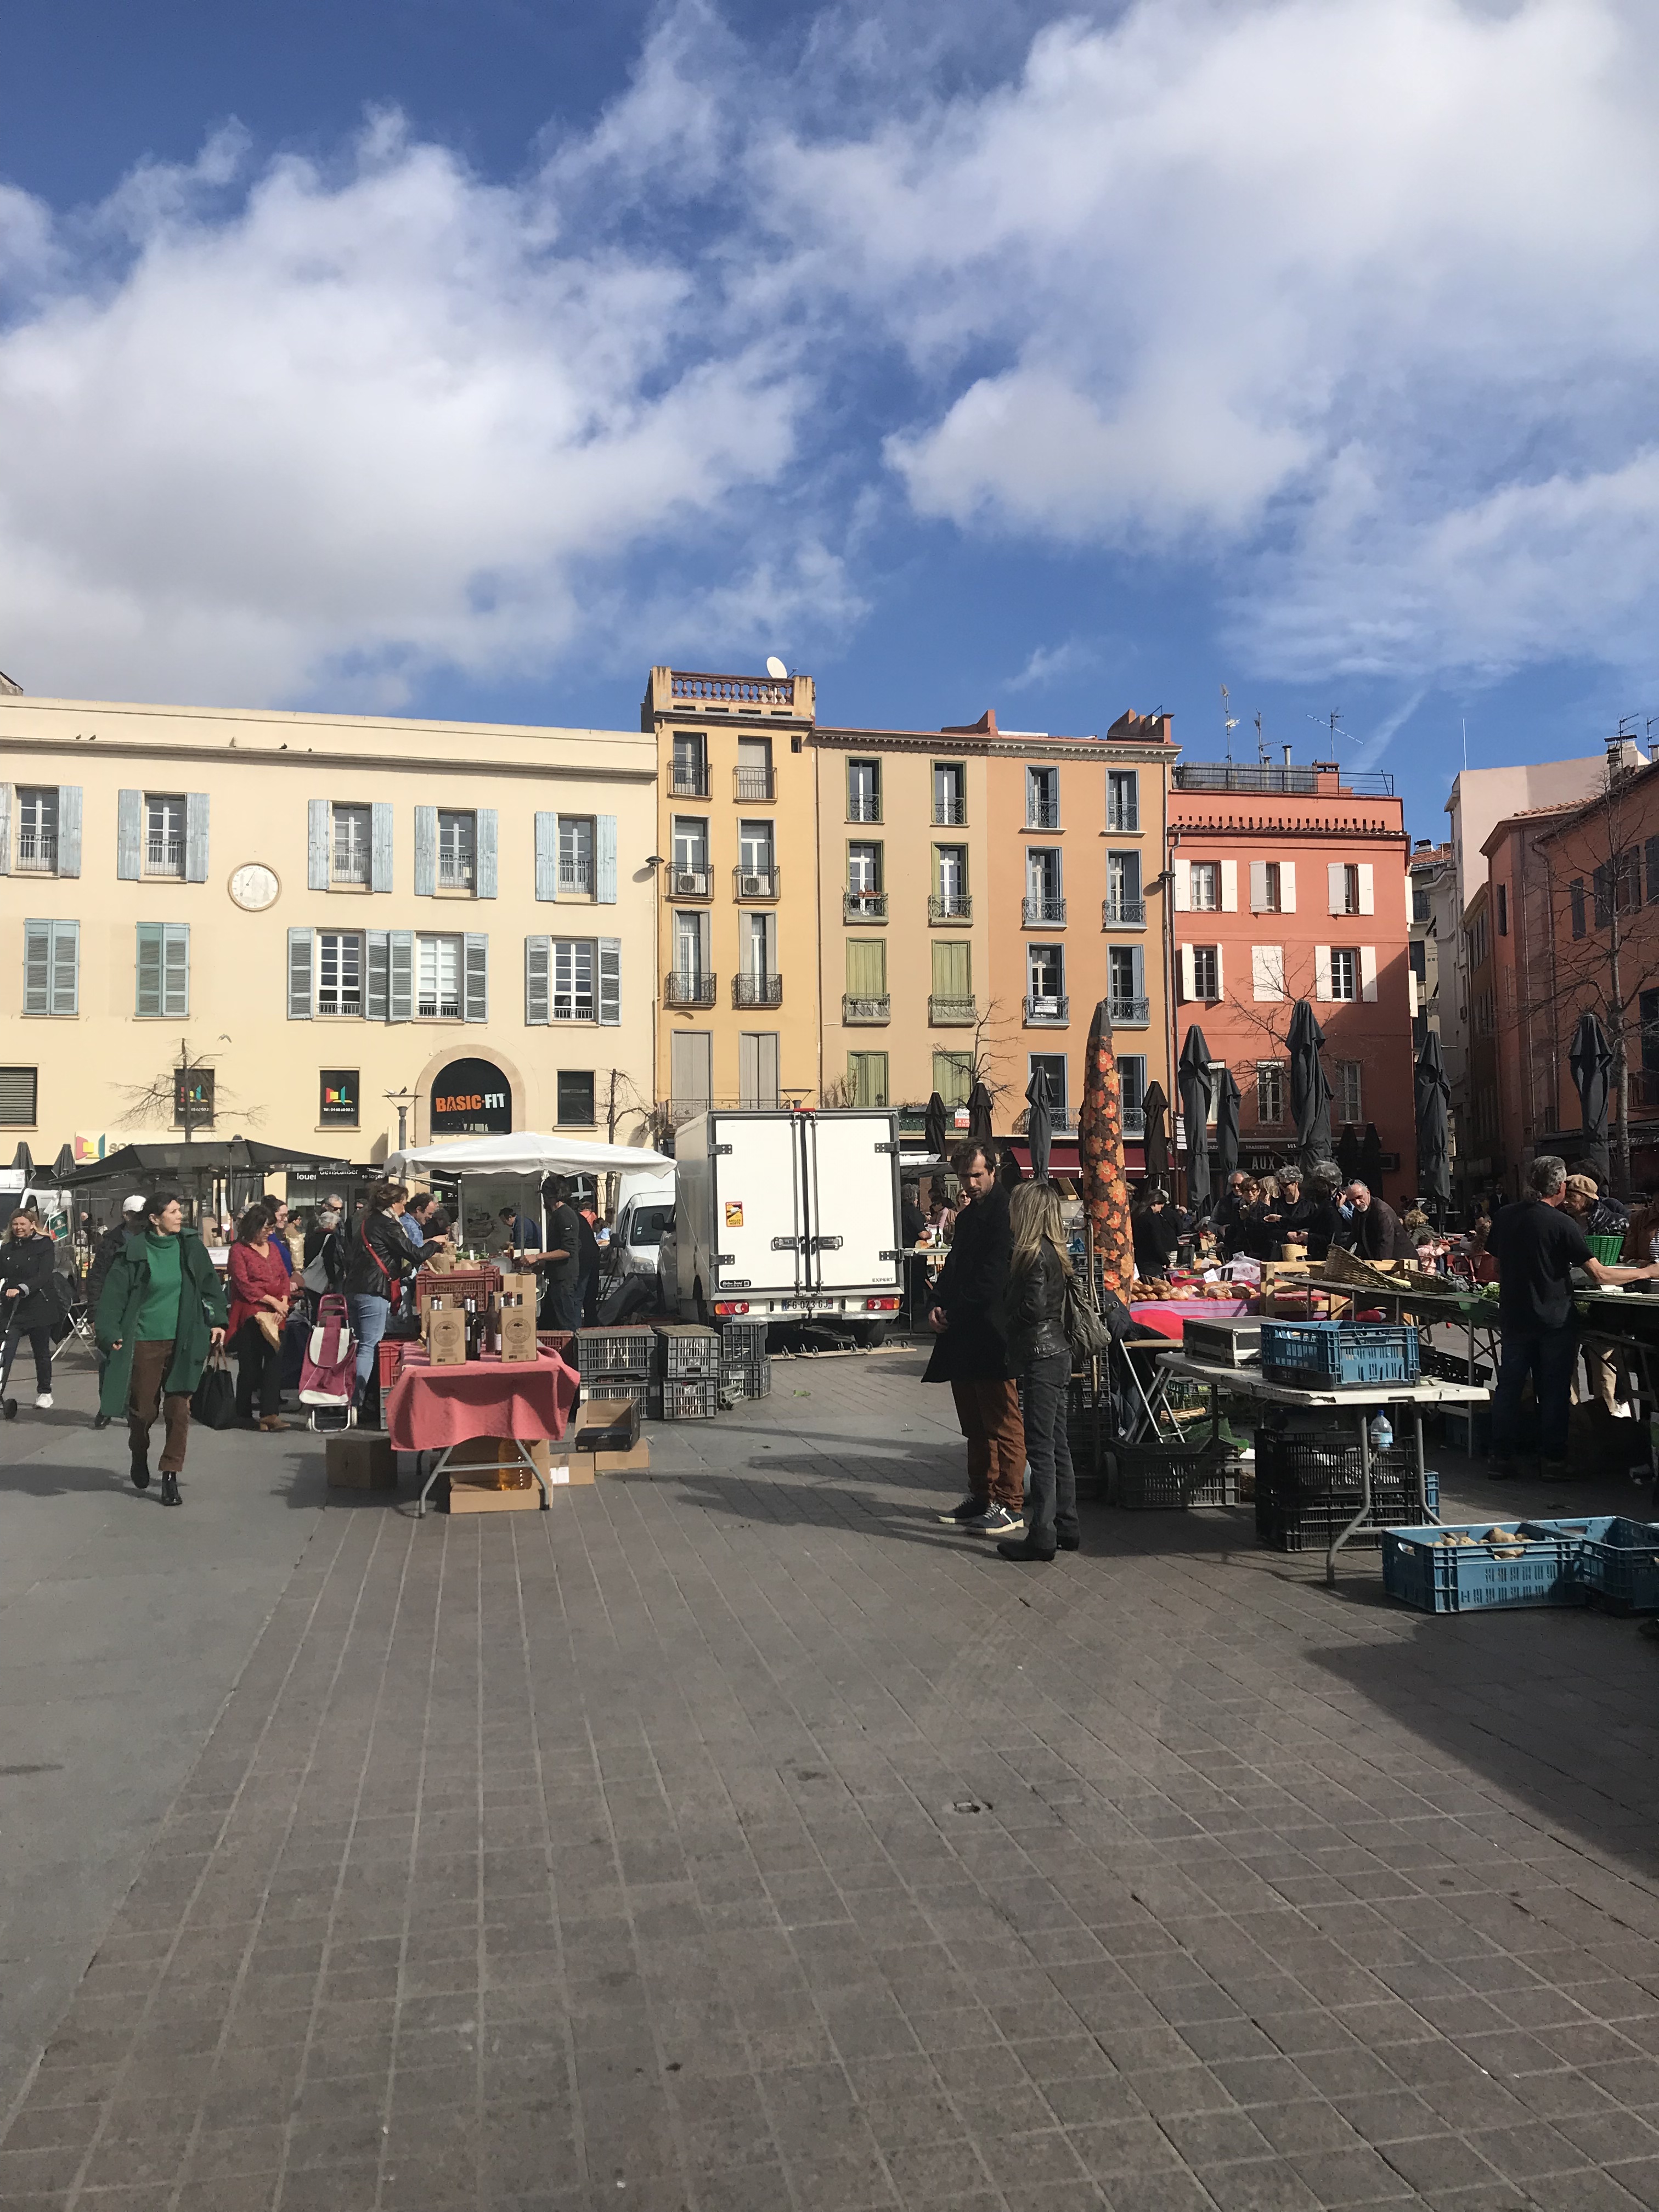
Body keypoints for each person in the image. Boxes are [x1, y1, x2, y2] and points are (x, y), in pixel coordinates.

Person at [1488, 1155, 1659, 1479]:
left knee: (1510, 1387)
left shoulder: (1505, 1216)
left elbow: (1496, 1268)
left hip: (1514, 1316)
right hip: (1553, 1319)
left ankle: (1500, 1457)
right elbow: (1599, 1275)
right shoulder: (1561, 1223)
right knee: (1553, 1390)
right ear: (1562, 1186)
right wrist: (1646, 1271)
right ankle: (1553, 1461)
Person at [94, 1192, 228, 1505]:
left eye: (180, 1210)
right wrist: (110, 1332)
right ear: (154, 1219)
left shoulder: (190, 1246)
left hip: (185, 1337)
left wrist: (218, 1320)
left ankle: (170, 1473)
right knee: (143, 1412)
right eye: (173, 1212)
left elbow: (210, 1284)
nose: (180, 1216)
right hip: (144, 1340)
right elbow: (113, 1297)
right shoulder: (134, 1252)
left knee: (179, 1409)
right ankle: (138, 1453)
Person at [923, 1142, 1025, 1537]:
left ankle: (1010, 1502)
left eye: (977, 1175)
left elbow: (993, 1278)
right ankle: (981, 1495)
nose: (970, 1184)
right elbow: (953, 1268)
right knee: (974, 1422)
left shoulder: (1006, 1214)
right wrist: (935, 1302)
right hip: (963, 1332)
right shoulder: (967, 1219)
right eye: (965, 1177)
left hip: (992, 1333)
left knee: (1003, 1421)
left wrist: (953, 1309)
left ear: (993, 1172)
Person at [993, 1181, 1079, 1564]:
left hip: (1041, 1354)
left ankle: (1042, 1534)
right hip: (1058, 1351)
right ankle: (1067, 1524)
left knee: (1041, 1447)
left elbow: (1033, 1306)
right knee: (1058, 1444)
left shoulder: (1031, 1255)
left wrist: (1007, 1321)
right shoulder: (1054, 1252)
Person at [346, 1182, 422, 1415]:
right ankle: (356, 1403)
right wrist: (435, 1244)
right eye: (402, 1202)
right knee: (369, 1346)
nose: (404, 1207)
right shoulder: (388, 1225)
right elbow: (414, 1253)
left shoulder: (364, 1221)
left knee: (359, 1344)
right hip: (373, 1290)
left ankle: (355, 1397)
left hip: (354, 1288)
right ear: (393, 1202)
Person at [227, 1204, 292, 1431]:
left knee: (275, 1362)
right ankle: (243, 1413)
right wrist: (271, 1301)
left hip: (276, 1314)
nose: (270, 1233)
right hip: (251, 1313)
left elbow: (284, 1276)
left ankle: (270, 1414)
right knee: (250, 1365)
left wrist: (283, 1300)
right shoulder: (239, 1250)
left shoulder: (273, 1249)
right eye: (266, 1228)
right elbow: (243, 1284)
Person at [85, 1195, 149, 1426]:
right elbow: (96, 1279)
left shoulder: (151, 1239)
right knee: (108, 1360)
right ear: (126, 1215)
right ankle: (107, 1407)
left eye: (144, 1215)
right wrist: (94, 1315)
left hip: (140, 1310)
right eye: (136, 1215)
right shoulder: (110, 1243)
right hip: (112, 1309)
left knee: (138, 1362)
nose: (141, 1220)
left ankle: (134, 1409)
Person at [1, 1210, 57, 1414]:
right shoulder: (7, 1248)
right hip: (12, 1308)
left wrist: (23, 1288)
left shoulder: (44, 1245)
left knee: (41, 1352)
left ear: (33, 1225)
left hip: (38, 1305)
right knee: (5, 1349)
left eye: (22, 1224)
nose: (18, 1228)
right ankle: (1, 1388)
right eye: (15, 1224)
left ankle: (44, 1392)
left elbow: (44, 1275)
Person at [532, 1176, 583, 1333]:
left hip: (564, 1279)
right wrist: (543, 1264)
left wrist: (538, 1257)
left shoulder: (565, 1215)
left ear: (550, 1196)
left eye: (544, 1196)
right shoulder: (557, 1215)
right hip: (556, 1279)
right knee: (547, 1325)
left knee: (567, 1325)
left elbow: (567, 1250)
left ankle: (572, 1355)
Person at [1346, 1180, 1414, 1262]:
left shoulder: (1382, 1212)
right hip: (1379, 1260)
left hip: (1402, 1263)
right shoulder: (1357, 1212)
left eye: (1359, 1197)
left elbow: (1385, 1243)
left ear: (1368, 1192)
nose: (1357, 1203)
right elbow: (1355, 1236)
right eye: (1352, 1200)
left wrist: (1379, 1269)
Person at [1131, 1184, 1182, 1280]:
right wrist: (1167, 1262)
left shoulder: (1137, 1214)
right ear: (1155, 1203)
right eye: (1161, 1207)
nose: (1160, 1210)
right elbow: (1156, 1242)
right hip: (1152, 1262)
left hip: (1139, 1258)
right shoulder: (1152, 1218)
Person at [302, 1203, 348, 1293]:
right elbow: (328, 1259)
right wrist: (332, 1280)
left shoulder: (312, 1236)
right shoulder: (330, 1238)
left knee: (316, 1305)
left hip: (312, 1277)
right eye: (336, 1224)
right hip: (324, 1278)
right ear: (331, 1225)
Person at [577, 1201, 603, 1325]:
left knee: (580, 1296)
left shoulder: (576, 1218)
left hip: (584, 1260)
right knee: (590, 1298)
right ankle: (591, 1323)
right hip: (593, 1256)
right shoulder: (591, 1216)